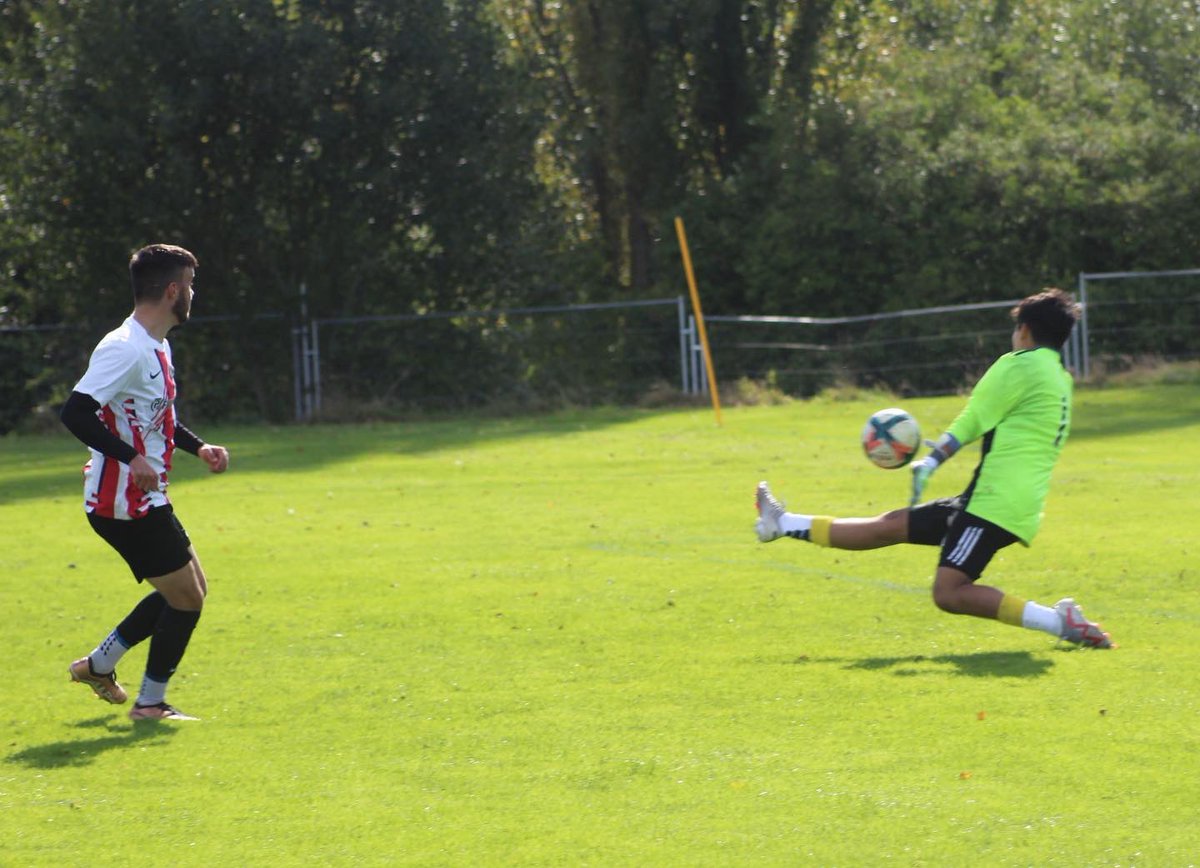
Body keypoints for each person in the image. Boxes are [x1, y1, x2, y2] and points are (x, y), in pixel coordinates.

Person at [755, 288, 1113, 648]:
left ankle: (1058, 622)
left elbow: (973, 420)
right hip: (1001, 498)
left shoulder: (1019, 364)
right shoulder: (1058, 376)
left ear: (1025, 330)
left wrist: (933, 459)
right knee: (889, 526)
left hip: (994, 504)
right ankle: (781, 523)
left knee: (949, 592)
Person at [61, 243, 230, 721]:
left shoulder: (156, 344)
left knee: (189, 589)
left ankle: (98, 665)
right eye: (191, 286)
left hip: (141, 494)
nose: (194, 295)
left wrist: (198, 447)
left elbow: (157, 418)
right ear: (173, 290)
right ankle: (149, 704)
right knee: (187, 598)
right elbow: (75, 411)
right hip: (123, 501)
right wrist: (131, 458)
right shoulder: (124, 348)